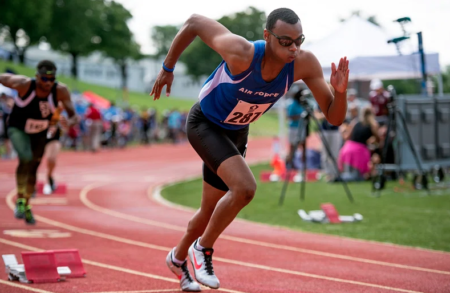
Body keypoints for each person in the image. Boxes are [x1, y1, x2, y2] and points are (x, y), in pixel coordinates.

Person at [150, 8, 348, 291]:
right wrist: (167, 68)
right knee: (244, 188)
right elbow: (193, 22)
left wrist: (339, 93)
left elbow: (335, 117)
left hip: (236, 132)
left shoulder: (304, 64)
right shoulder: (241, 52)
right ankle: (202, 249)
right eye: (285, 41)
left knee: (209, 211)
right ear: (267, 36)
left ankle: (178, 258)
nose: (294, 48)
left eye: (299, 40)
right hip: (205, 124)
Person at [0, 60, 77, 224]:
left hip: (40, 132)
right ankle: (20, 199)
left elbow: (73, 115)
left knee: (34, 166)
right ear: (37, 77)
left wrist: (68, 123)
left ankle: (26, 203)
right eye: (44, 79)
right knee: (26, 158)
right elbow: (3, 78)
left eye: (51, 79)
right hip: (18, 128)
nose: (48, 83)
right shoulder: (23, 84)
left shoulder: (60, 91)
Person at [338, 106, 380, 180]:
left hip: (347, 147)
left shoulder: (355, 122)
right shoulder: (373, 125)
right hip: (359, 151)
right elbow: (378, 138)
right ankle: (339, 178)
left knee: (348, 171)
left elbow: (347, 137)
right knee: (357, 176)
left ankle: (339, 177)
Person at [43, 101, 64, 194]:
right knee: (39, 162)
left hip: (54, 140)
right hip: (42, 140)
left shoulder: (59, 117)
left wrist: (57, 127)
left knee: (51, 159)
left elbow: (63, 129)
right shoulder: (43, 113)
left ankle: (49, 178)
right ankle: (34, 185)